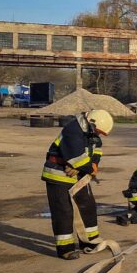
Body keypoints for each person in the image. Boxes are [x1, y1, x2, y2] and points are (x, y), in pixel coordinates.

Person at [40, 109, 112, 260]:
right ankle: (65, 248)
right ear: (91, 124)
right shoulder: (73, 130)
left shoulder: (92, 134)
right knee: (64, 211)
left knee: (88, 206)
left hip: (78, 174)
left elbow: (96, 153)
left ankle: (89, 241)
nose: (98, 135)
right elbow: (76, 157)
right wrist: (81, 166)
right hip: (57, 173)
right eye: (97, 132)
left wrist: (90, 166)